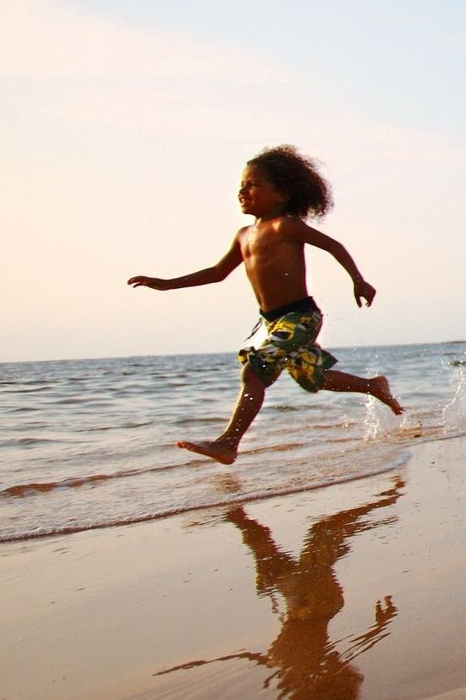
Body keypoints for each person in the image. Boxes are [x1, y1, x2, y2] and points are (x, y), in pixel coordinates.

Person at [129, 145, 402, 464]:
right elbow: (217, 273)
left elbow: (333, 245)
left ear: (282, 194)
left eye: (253, 184)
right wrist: (166, 283)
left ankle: (228, 443)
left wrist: (358, 279)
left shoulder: (285, 225)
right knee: (313, 379)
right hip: (272, 321)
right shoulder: (244, 234)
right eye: (241, 185)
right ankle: (373, 386)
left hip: (300, 316)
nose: (243, 191)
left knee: (253, 372)